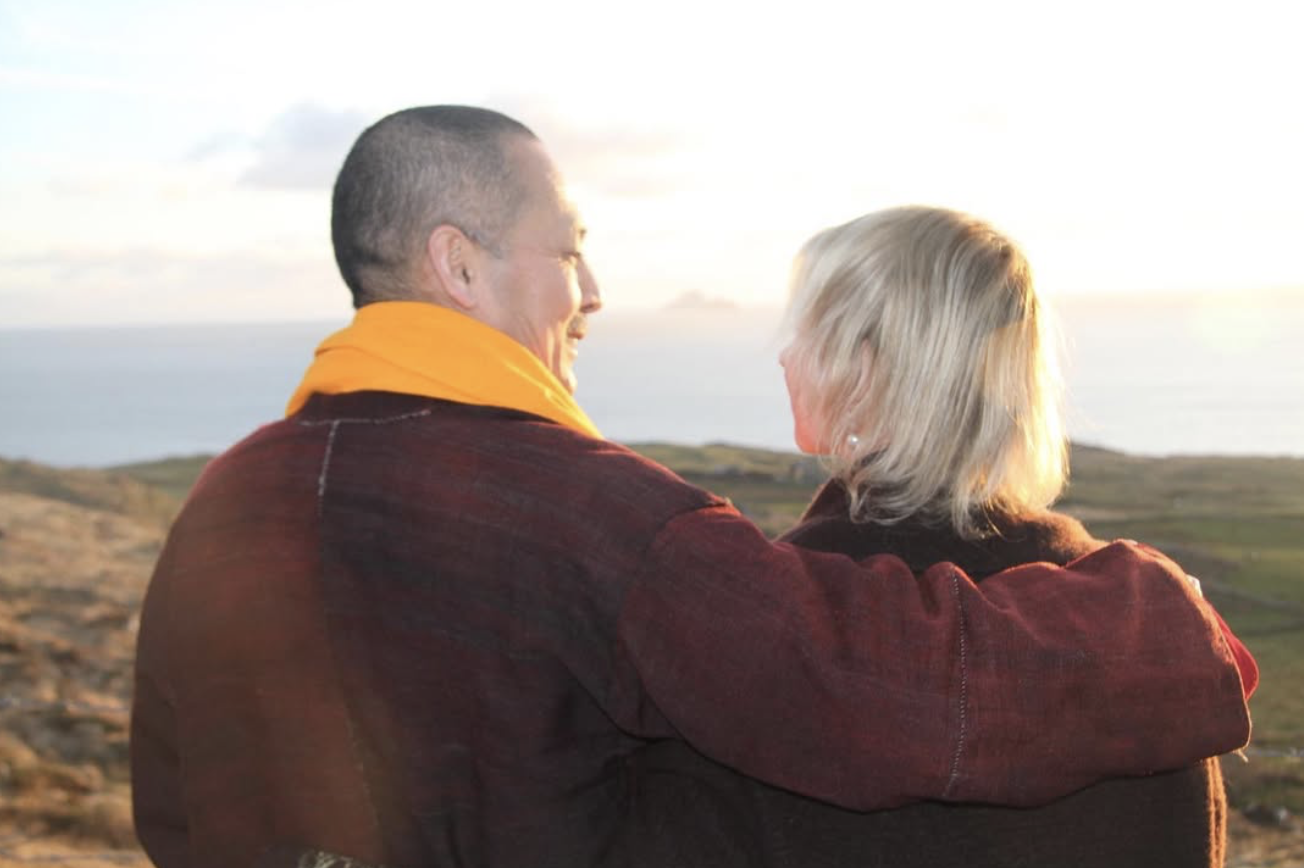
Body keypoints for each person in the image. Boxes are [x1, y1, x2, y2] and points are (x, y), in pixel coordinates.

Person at [130, 107, 1251, 868]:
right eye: (568, 250)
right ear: (459, 264)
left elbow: (172, 807)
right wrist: (1155, 619)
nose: (593, 291)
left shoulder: (225, 501)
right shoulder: (595, 514)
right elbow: (883, 690)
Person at [629, 206, 1258, 866]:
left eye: (807, 330)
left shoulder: (787, 626)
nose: (785, 355)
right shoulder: (1153, 636)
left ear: (863, 367)